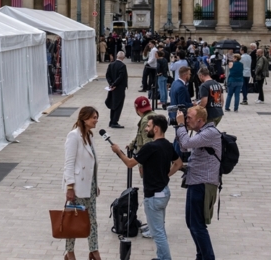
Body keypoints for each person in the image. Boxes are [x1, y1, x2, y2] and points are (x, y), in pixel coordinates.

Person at [111, 114, 182, 260]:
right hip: (164, 192)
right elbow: (179, 163)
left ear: (156, 129)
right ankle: (161, 256)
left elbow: (130, 163)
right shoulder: (168, 145)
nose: (146, 129)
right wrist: (166, 175)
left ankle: (165, 258)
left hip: (153, 196)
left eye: (148, 126)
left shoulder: (150, 147)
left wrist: (118, 151)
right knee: (160, 228)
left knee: (157, 233)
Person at [175, 106, 221, 260]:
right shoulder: (201, 133)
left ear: (200, 120)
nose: (187, 120)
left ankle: (208, 257)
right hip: (195, 181)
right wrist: (181, 129)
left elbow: (186, 143)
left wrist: (181, 125)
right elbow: (184, 146)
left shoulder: (210, 133)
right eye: (186, 117)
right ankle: (201, 256)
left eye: (189, 118)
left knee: (198, 225)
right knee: (191, 223)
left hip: (203, 184)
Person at [63, 106, 102, 260]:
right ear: (85, 119)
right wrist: (70, 186)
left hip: (90, 186)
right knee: (73, 219)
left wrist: (95, 183)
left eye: (96, 117)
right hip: (77, 186)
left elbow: (92, 163)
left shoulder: (89, 136)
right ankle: (70, 252)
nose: (96, 120)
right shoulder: (74, 136)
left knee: (92, 220)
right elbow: (69, 163)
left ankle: (94, 250)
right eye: (94, 117)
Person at [105, 51, 128, 128]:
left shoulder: (111, 64)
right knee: (118, 105)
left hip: (112, 88)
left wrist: (111, 84)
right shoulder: (122, 66)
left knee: (113, 104)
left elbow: (107, 75)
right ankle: (114, 121)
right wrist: (115, 84)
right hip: (119, 88)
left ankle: (111, 121)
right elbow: (121, 77)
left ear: (116, 56)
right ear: (123, 58)